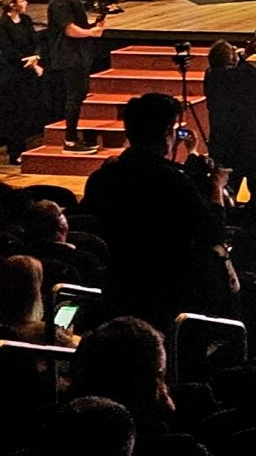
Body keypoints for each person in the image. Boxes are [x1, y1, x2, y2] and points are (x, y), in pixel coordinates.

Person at [80, 92, 228, 327]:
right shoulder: (175, 181)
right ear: (168, 133)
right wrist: (217, 190)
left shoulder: (101, 179)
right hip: (170, 296)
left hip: (117, 290)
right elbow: (213, 231)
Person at [202, 37, 256, 201]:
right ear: (231, 58)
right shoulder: (245, 75)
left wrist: (245, 54)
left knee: (226, 192)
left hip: (225, 146)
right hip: (254, 146)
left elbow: (229, 69)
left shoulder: (211, 76)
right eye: (233, 51)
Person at [43, 0, 107, 153]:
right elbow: (69, 30)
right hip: (69, 55)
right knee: (74, 97)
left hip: (78, 53)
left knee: (79, 94)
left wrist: (96, 24)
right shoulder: (59, 1)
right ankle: (70, 141)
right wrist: (91, 33)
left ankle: (73, 138)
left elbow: (78, 24)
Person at [0, 0, 46, 162]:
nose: (26, 2)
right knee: (15, 113)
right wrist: (32, 64)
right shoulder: (1, 26)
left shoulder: (26, 20)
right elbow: (9, 52)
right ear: (13, 5)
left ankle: (26, 146)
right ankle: (15, 152)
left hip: (28, 70)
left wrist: (36, 57)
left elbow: (36, 41)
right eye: (22, 0)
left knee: (28, 110)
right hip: (13, 74)